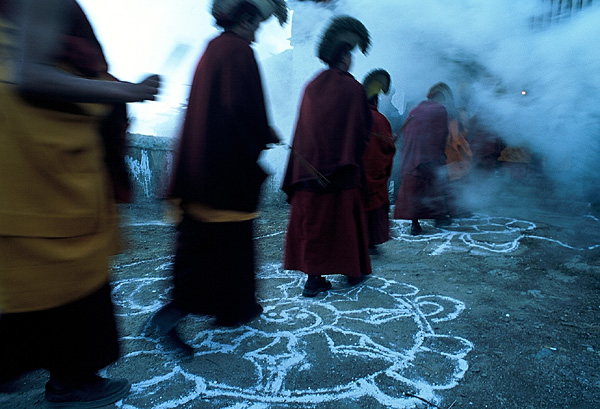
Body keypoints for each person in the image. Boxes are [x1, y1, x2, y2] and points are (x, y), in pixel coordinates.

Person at [0, 0, 161, 407]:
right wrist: (126, 90)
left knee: (36, 270)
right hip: (41, 157)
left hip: (31, 150)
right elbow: (30, 74)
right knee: (64, 266)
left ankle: (49, 373)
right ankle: (71, 380)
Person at [143, 0, 287, 354]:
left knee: (229, 244)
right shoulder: (238, 51)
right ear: (245, 18)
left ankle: (235, 309)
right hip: (222, 173)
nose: (257, 31)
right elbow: (240, 110)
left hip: (206, 167)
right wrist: (262, 131)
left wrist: (261, 127)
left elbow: (229, 106)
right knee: (208, 249)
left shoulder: (214, 48)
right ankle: (167, 319)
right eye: (256, 23)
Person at [282, 15, 372, 297]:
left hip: (309, 171)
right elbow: (361, 130)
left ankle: (313, 280)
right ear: (343, 56)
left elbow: (303, 128)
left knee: (314, 225)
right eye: (350, 54)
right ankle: (352, 272)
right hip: (341, 172)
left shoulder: (311, 85)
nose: (351, 60)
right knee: (342, 223)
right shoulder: (353, 88)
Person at [393, 83, 451, 235]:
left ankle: (415, 224)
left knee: (414, 191)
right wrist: (440, 153)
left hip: (411, 157)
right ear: (440, 98)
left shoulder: (415, 109)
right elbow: (442, 134)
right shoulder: (440, 110)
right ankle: (439, 217)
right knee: (436, 185)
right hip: (429, 156)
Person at [361, 69, 397, 255]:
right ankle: (371, 242)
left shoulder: (355, 116)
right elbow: (387, 149)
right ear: (375, 100)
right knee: (374, 207)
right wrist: (391, 144)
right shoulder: (380, 119)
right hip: (374, 170)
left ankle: (362, 241)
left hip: (358, 173)